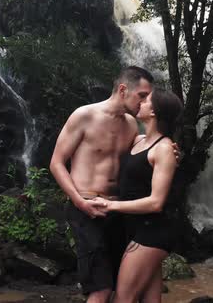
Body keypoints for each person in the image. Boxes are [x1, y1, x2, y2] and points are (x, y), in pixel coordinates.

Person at [49, 66, 155, 303]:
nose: (146, 102)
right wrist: (79, 202)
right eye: (142, 95)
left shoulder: (130, 125)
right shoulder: (84, 116)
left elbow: (145, 152)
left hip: (118, 211)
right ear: (123, 89)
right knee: (100, 289)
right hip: (86, 208)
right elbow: (56, 163)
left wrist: (169, 149)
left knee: (123, 287)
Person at [94, 87, 183, 303]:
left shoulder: (163, 148)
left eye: (146, 99)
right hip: (137, 230)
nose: (140, 102)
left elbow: (156, 203)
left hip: (152, 233)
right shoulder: (139, 140)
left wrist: (111, 205)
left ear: (154, 112)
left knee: (123, 299)